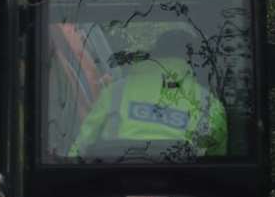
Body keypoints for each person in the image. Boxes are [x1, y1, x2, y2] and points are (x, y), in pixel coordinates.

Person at [70, 28, 229, 159]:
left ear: (155, 55)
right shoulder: (207, 102)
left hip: (115, 183)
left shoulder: (116, 91)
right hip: (182, 186)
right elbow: (217, 159)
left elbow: (81, 146)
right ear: (195, 61)